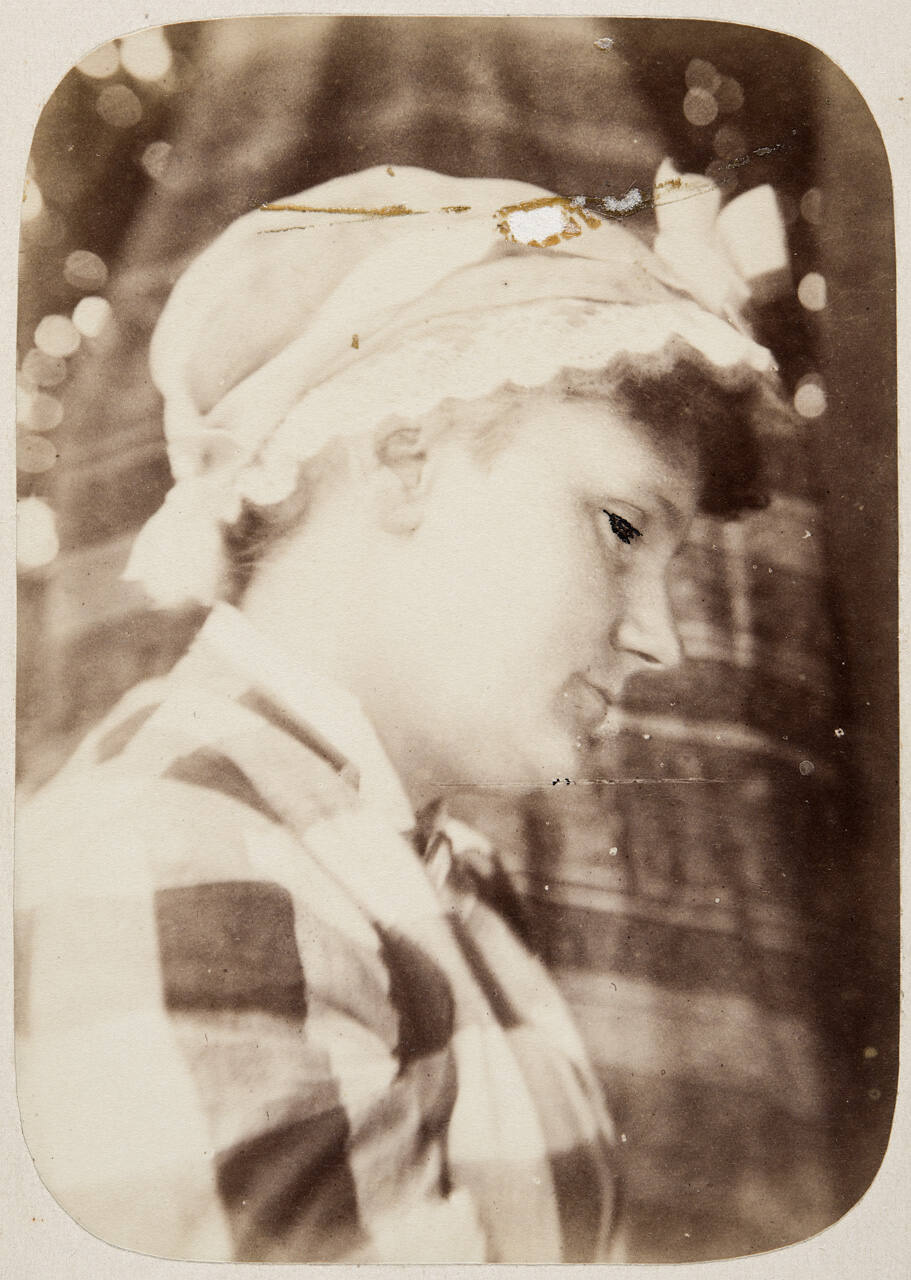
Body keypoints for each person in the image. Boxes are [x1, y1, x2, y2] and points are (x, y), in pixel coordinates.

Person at [15, 164, 785, 1263]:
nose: (662, 639)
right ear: (404, 457)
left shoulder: (428, 874)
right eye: (619, 528)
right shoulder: (180, 857)